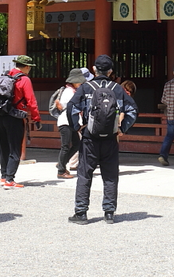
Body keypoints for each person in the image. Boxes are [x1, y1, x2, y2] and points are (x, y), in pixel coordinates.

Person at [68, 55, 138, 225]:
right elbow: (132, 110)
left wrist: (77, 127)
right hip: (111, 138)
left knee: (85, 174)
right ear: (111, 71)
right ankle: (109, 212)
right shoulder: (117, 89)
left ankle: (81, 212)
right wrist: (122, 128)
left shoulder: (85, 88)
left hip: (89, 137)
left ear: (94, 69)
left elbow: (71, 107)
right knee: (110, 175)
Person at [0, 55, 40, 190]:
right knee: (15, 148)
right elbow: (31, 101)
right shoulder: (24, 79)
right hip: (14, 117)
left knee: (3, 147)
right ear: (26, 67)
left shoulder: (6, 76)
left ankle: (4, 176)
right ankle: (10, 179)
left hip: (0, 115)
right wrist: (36, 118)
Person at [54, 68, 85, 179]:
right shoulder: (69, 91)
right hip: (65, 121)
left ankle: (61, 163)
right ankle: (61, 170)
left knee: (77, 144)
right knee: (65, 146)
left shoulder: (73, 91)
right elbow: (66, 107)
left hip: (70, 122)